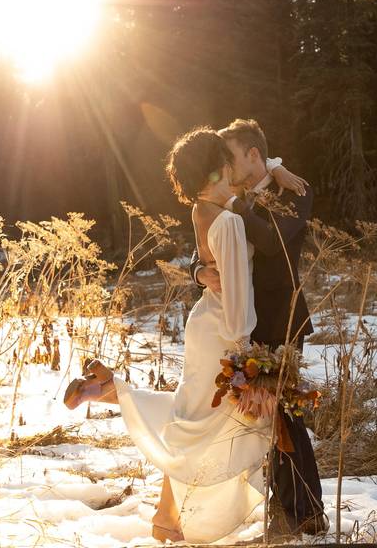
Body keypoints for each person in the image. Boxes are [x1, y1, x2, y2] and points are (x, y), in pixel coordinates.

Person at [63, 128, 272, 543]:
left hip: (202, 325)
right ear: (220, 166)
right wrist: (247, 356)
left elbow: (216, 271)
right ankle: (117, 394)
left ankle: (166, 518)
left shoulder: (202, 209)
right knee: (203, 428)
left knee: (189, 421)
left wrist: (276, 171)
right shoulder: (229, 222)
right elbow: (236, 298)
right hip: (221, 334)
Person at [190, 119, 327, 540]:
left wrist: (235, 204)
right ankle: (290, 508)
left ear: (254, 155)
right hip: (245, 320)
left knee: (285, 411)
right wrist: (199, 273)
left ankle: (301, 511)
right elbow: (204, 253)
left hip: (281, 317)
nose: (225, 169)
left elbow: (272, 243)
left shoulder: (293, 190)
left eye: (230, 158)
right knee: (265, 415)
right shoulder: (237, 197)